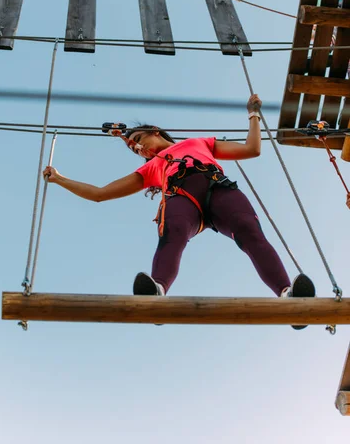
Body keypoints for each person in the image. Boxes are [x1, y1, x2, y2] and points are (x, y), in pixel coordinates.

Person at [43, 94, 315, 328]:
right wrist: (58, 178)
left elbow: (252, 149)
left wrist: (253, 115)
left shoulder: (199, 143)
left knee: (250, 233)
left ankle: (287, 293)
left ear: (156, 131)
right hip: (182, 197)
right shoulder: (150, 168)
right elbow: (100, 194)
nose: (138, 148)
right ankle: (157, 290)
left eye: (138, 139)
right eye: (133, 148)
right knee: (172, 233)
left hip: (218, 189)